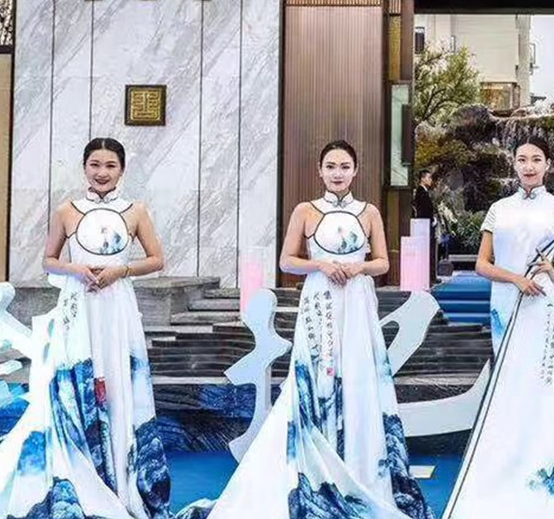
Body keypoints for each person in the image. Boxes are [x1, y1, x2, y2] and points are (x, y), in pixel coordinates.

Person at [179, 141, 431, 519]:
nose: (337, 173)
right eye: (330, 166)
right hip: (319, 301)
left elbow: (382, 263)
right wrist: (322, 266)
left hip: (357, 302)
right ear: (319, 169)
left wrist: (358, 268)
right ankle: (312, 468)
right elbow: (287, 261)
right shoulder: (305, 210)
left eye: (344, 166)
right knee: (316, 377)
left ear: (355, 170)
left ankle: (361, 469)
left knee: (359, 378)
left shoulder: (369, 212)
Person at [0, 138, 171, 519]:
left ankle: (120, 475)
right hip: (78, 305)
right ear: (84, 168)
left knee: (117, 382)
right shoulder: (67, 211)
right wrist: (75, 269)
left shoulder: (136, 211)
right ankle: (78, 468)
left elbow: (157, 259)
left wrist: (121, 270)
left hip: (117, 307)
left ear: (122, 170)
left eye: (110, 165)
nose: (101, 172)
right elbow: (49, 260)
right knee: (74, 379)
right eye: (95, 164)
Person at [442, 137, 554, 519]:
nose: (529, 166)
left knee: (544, 380)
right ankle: (508, 463)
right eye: (522, 159)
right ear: (514, 163)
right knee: (509, 380)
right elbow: (482, 265)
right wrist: (515, 279)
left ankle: (543, 460)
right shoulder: (499, 209)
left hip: (542, 302)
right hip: (506, 301)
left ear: (547, 164)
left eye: (536, 159)